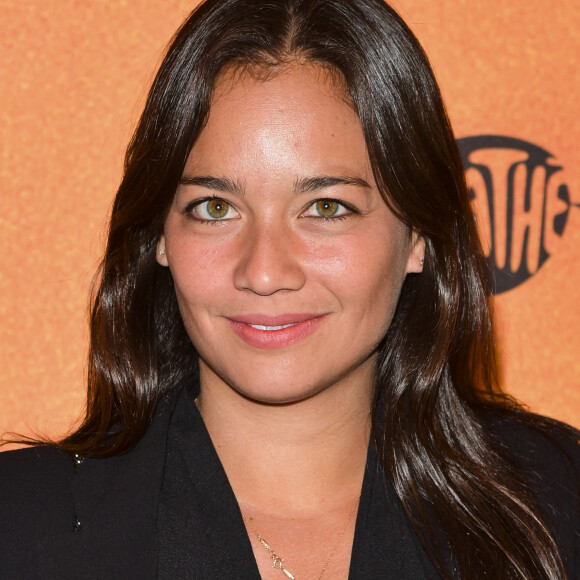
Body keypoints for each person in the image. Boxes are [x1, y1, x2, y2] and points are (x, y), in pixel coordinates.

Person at [1, 0, 578, 578]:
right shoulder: (22, 523)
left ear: (419, 235)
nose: (266, 272)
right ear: (160, 237)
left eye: (326, 207)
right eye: (215, 207)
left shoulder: (559, 504)